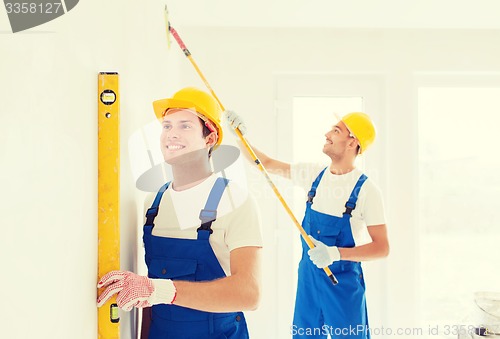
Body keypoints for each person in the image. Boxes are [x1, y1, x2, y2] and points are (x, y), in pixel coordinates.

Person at [97, 87, 263, 339]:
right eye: (166, 126)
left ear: (209, 138)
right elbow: (150, 297)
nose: (171, 134)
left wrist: (158, 290)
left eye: (185, 126)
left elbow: (249, 294)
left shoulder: (235, 201)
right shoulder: (154, 204)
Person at [226, 110, 389, 339]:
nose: (327, 134)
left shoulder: (367, 190)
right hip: (309, 281)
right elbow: (266, 163)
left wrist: (335, 253)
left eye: (336, 130)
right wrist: (239, 136)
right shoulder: (314, 175)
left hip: (343, 284)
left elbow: (382, 248)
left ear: (352, 141)